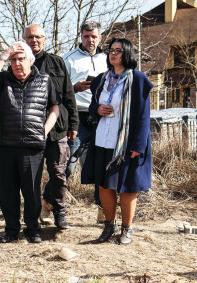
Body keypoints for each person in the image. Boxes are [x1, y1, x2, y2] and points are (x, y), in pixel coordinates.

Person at [0, 41, 60, 244]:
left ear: (30, 60)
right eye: (13, 59)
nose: (17, 63)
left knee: (31, 191)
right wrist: (4, 54)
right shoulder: (4, 78)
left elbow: (55, 108)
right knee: (8, 192)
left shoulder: (45, 80)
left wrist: (44, 131)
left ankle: (33, 229)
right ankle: (11, 230)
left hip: (32, 146)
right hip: (8, 145)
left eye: (21, 59)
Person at [82, 38, 153, 245]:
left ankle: (127, 229)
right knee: (104, 185)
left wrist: (138, 146)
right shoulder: (101, 79)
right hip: (103, 140)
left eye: (118, 51)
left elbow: (143, 115)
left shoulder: (138, 80)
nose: (113, 54)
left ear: (128, 53)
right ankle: (108, 227)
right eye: (111, 50)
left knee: (128, 187)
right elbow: (92, 107)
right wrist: (97, 109)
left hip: (126, 143)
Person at [23, 24, 78, 231]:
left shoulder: (57, 62)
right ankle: (33, 216)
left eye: (37, 37)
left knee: (58, 174)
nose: (34, 41)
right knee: (31, 178)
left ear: (44, 39)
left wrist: (74, 123)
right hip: (30, 131)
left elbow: (69, 95)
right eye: (29, 37)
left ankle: (60, 213)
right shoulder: (19, 63)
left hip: (57, 131)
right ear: (24, 39)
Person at [63, 21, 108, 222]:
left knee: (102, 165)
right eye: (86, 36)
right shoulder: (68, 59)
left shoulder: (108, 59)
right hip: (77, 117)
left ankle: (102, 209)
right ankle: (50, 203)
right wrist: (74, 87)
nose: (90, 40)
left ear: (100, 37)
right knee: (67, 163)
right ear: (81, 37)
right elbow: (57, 89)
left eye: (94, 36)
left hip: (102, 117)